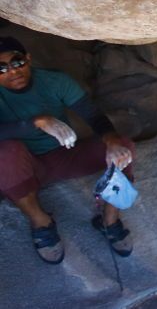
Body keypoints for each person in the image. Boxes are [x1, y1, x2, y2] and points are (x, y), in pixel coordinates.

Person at [0, 37, 135, 264]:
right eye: (1, 68)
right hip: (26, 166)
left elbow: (92, 115)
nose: (12, 72)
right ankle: (41, 223)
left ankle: (109, 221)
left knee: (123, 146)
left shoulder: (54, 81)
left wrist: (111, 141)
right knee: (5, 153)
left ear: (28, 59)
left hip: (66, 153)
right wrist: (36, 122)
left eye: (17, 62)